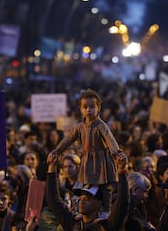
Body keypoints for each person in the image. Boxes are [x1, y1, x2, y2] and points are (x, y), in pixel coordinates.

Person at [48, 89, 127, 219]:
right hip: (87, 160)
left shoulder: (101, 125)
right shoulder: (79, 127)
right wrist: (57, 151)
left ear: (98, 108)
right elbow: (68, 140)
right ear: (80, 109)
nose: (88, 110)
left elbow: (110, 140)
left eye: (92, 107)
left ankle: (106, 211)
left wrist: (116, 153)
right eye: (85, 107)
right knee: (85, 187)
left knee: (104, 187)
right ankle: (83, 210)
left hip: (102, 160)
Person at [45, 151, 129, 231]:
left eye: (87, 199)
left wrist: (122, 171)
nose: (81, 202)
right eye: (80, 198)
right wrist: (52, 166)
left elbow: (122, 204)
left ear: (99, 203)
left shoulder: (105, 226)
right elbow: (53, 200)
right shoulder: (74, 223)